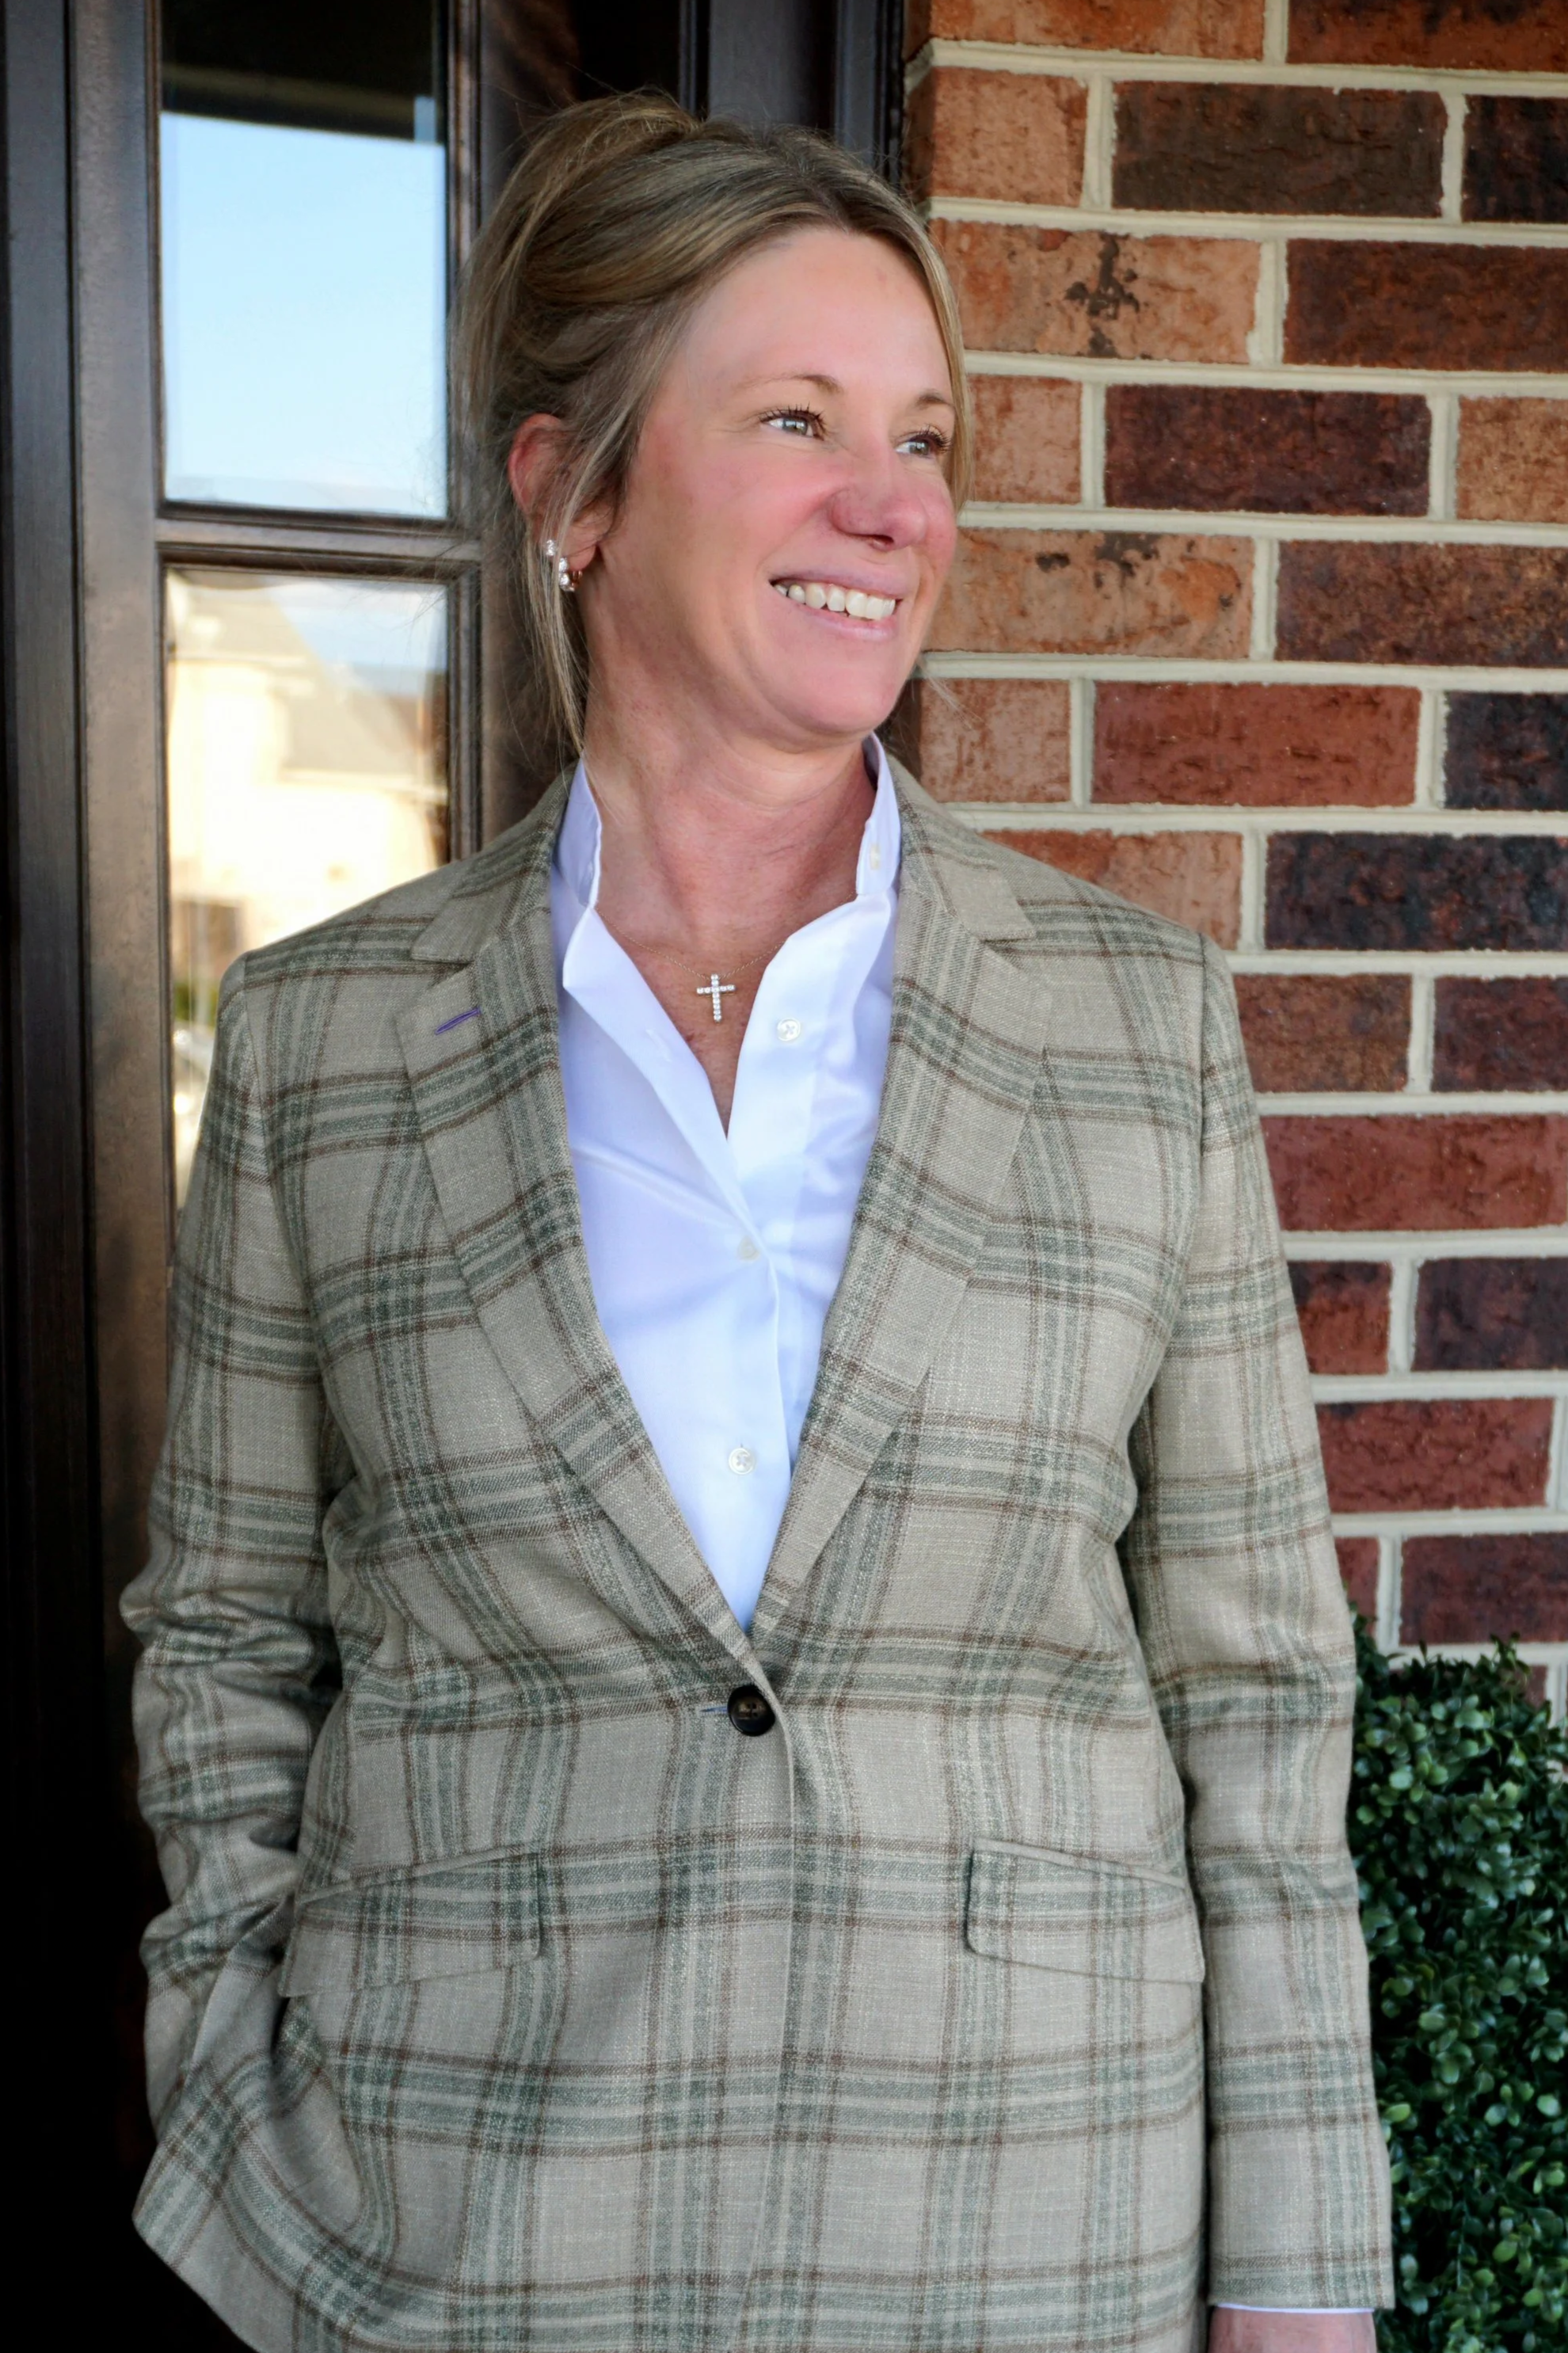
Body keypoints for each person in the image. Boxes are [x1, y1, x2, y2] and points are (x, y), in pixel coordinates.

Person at [124, 96, 1392, 2353]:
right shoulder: (326, 1047)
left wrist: (1293, 2276)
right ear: (572, 496)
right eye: (793, 419)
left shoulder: (1131, 1029)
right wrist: (236, 2108)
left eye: (917, 436)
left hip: (1029, 2221)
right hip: (451, 2233)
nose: (887, 506)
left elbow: (1260, 1695)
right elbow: (224, 1641)